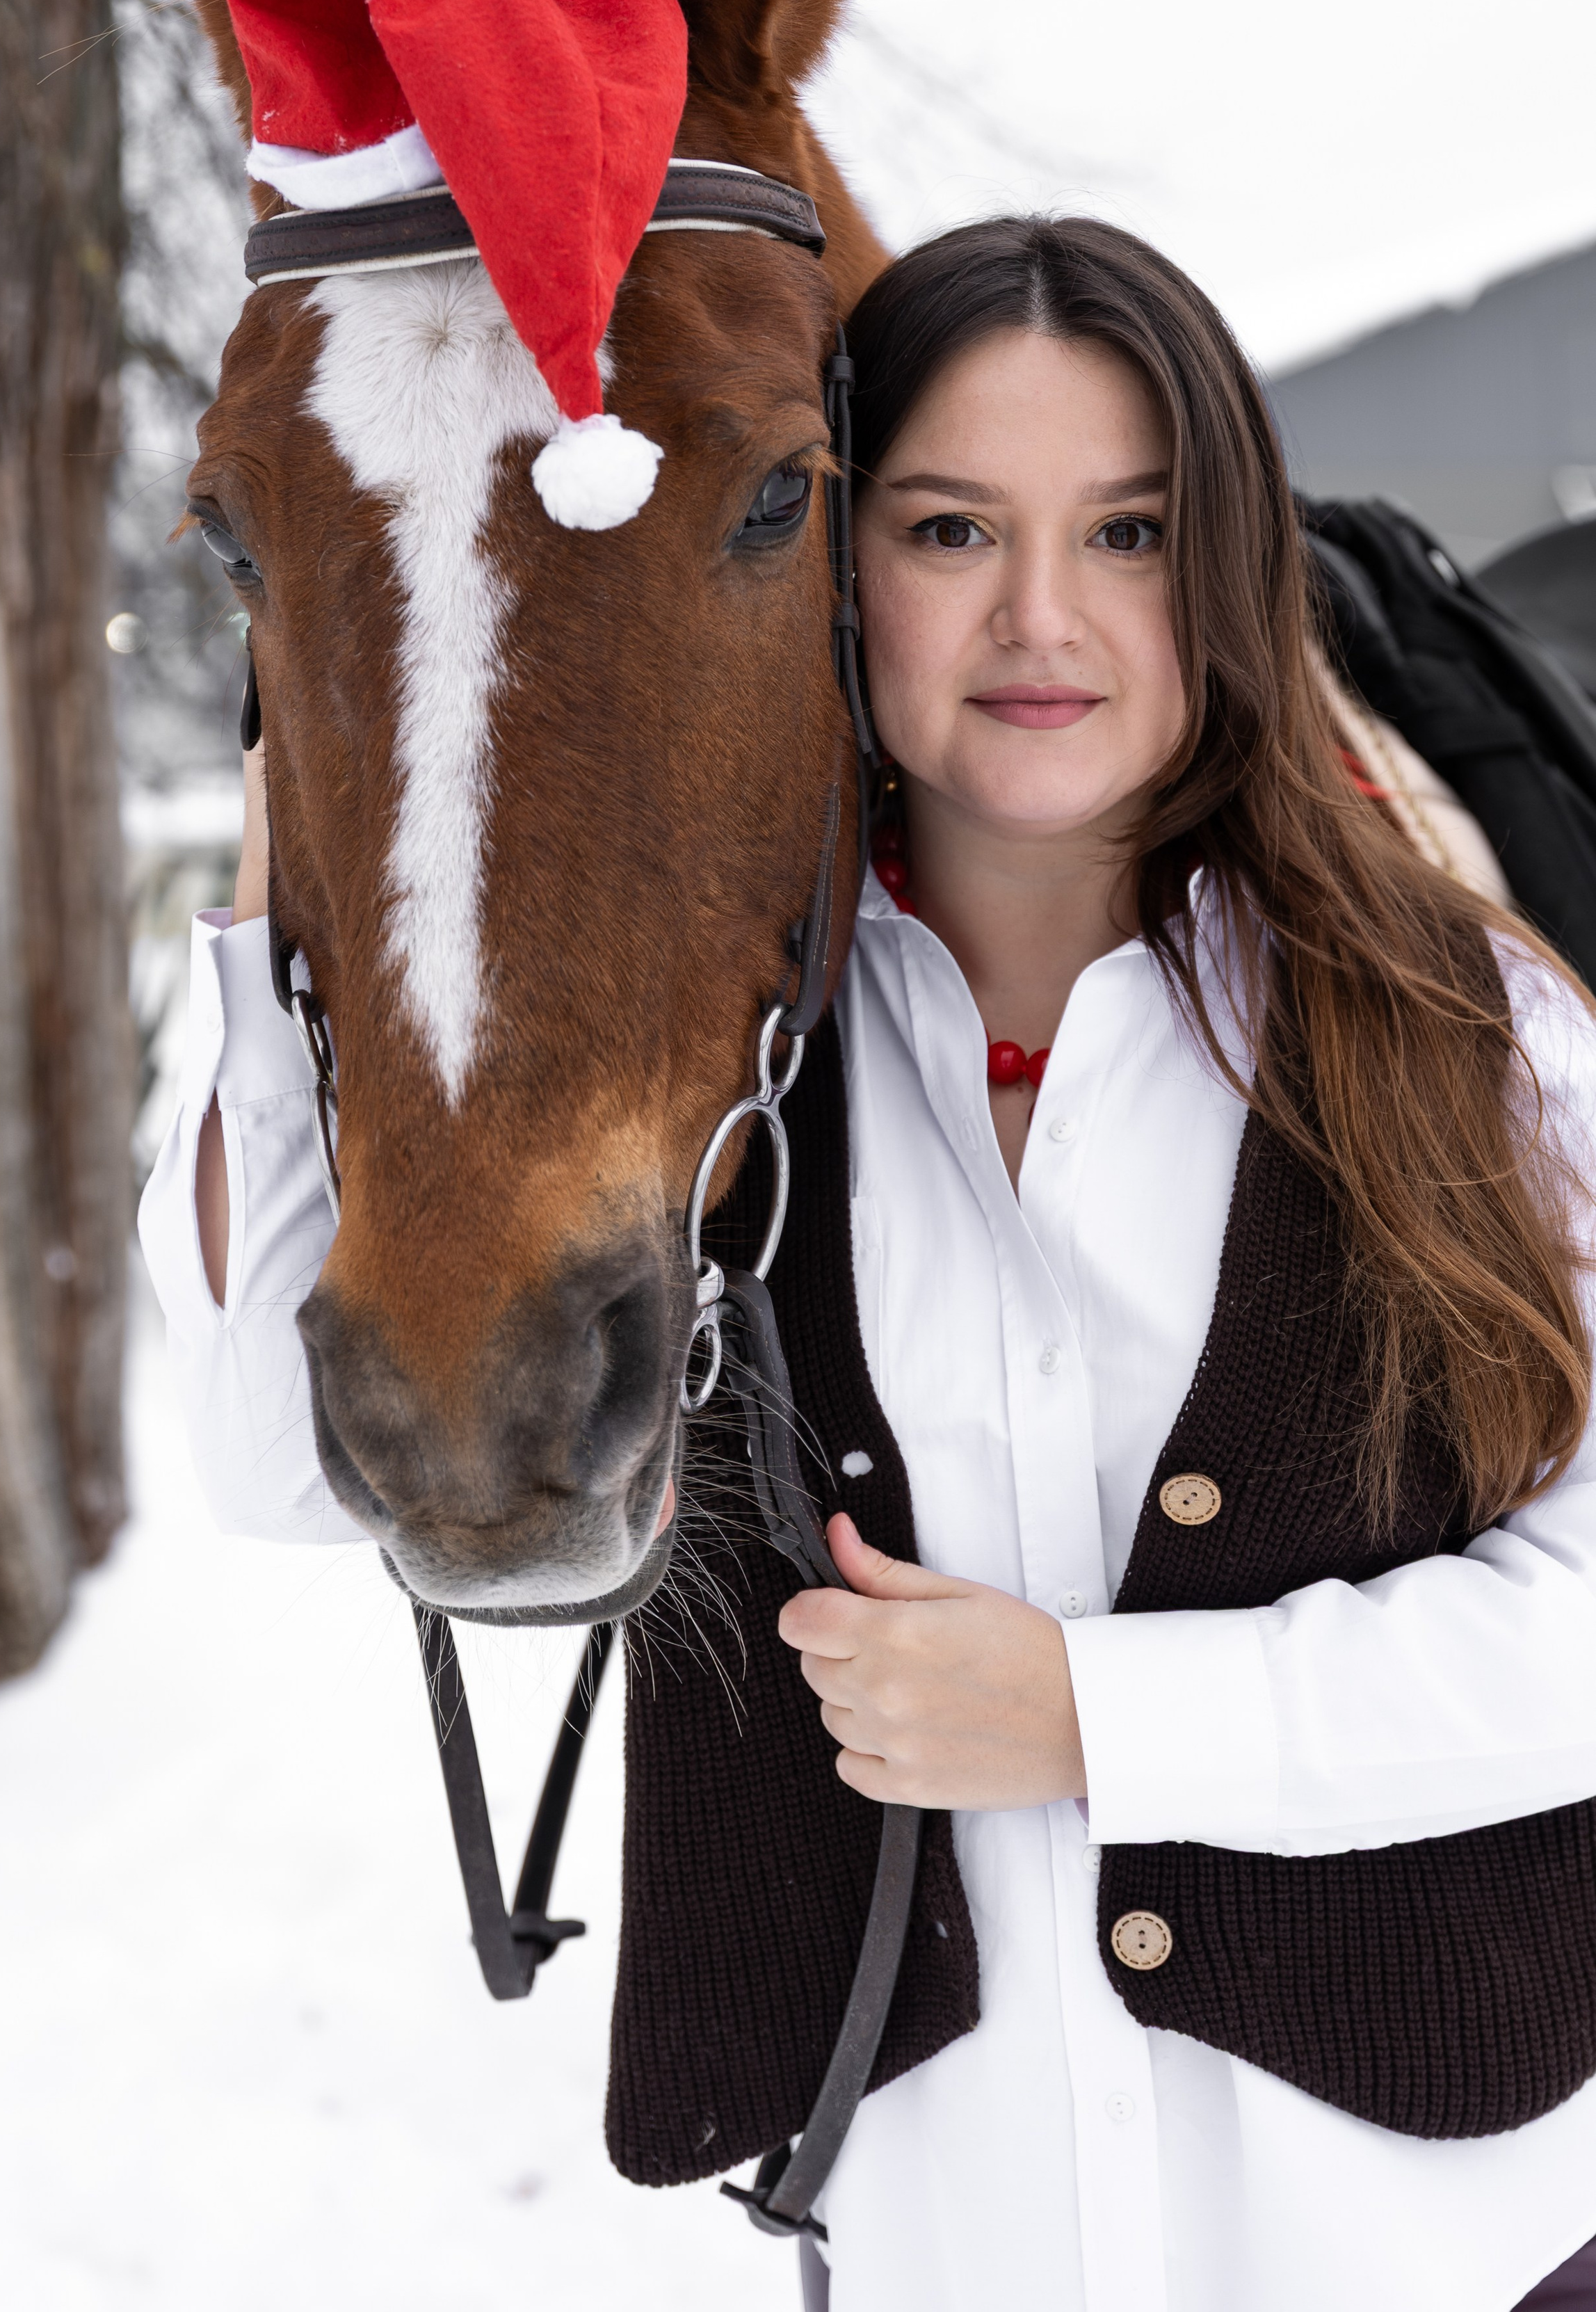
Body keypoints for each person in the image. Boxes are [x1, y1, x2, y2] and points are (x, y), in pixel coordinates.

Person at [140, 215, 1596, 2312]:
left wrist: (1097, 1717)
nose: (1040, 617)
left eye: (1127, 532)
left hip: (1457, 2251)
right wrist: (304, 894)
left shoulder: (1460, 1028)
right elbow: (290, 1466)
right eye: (944, 530)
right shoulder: (730, 1101)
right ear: (829, 561)